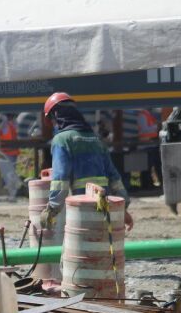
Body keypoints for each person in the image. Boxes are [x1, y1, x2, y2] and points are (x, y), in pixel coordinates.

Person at [40, 92, 133, 231]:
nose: (53, 125)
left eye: (52, 121)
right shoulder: (96, 139)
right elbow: (114, 176)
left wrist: (52, 208)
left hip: (82, 206)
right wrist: (122, 207)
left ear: (56, 116)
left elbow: (60, 178)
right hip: (104, 207)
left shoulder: (62, 140)